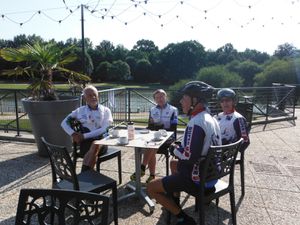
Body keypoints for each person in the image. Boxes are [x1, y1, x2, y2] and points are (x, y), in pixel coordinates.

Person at [147, 81, 221, 225]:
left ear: (195, 100)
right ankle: (174, 202)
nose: (181, 101)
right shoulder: (211, 118)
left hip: (197, 179)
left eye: (184, 98)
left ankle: (182, 217)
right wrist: (180, 148)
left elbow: (189, 157)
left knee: (151, 188)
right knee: (174, 163)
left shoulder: (197, 122)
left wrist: (173, 148)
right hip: (212, 175)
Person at [130, 89, 178, 183]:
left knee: (152, 145)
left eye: (162, 96)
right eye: (157, 97)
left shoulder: (173, 110)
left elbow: (173, 128)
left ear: (166, 97)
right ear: (155, 100)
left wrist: (160, 130)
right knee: (150, 144)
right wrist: (144, 131)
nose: (160, 99)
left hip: (169, 137)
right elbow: (150, 126)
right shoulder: (152, 110)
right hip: (155, 137)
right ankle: (151, 175)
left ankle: (142, 168)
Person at [61, 85, 113, 171]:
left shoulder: (106, 110)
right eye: (89, 95)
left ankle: (83, 175)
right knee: (94, 148)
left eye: (94, 95)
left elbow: (103, 130)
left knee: (95, 144)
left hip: (102, 141)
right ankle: (87, 176)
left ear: (98, 96)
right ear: (85, 99)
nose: (93, 97)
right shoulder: (79, 111)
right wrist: (73, 134)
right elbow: (63, 123)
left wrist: (83, 136)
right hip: (85, 144)